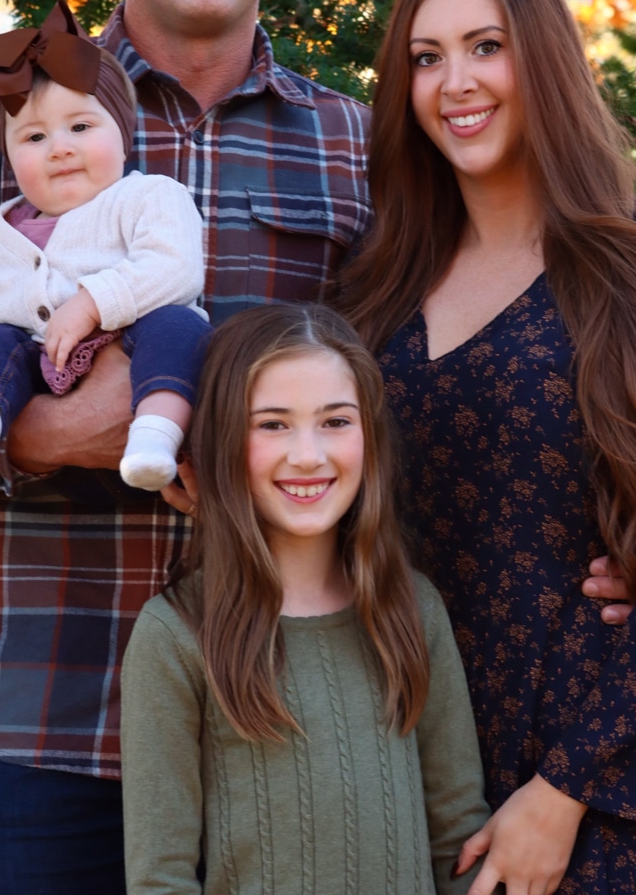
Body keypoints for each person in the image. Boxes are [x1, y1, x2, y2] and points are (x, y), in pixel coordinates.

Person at [0, 0, 371, 894]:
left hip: (282, 701)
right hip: (57, 714)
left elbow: (413, 402)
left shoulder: (352, 145)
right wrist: (45, 433)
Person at [339, 0, 636, 893]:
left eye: (486, 46)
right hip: (405, 780)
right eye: (427, 57)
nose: (456, 82)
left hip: (598, 795)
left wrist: (564, 790)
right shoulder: (372, 296)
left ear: (544, 61)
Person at [121, 301, 490, 895]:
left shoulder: (412, 609)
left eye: (336, 421)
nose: (309, 455)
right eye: (272, 424)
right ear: (220, 440)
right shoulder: (176, 634)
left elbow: (458, 837)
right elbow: (160, 878)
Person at [0, 0, 211, 491]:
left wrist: (91, 303)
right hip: (39, 364)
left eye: (80, 127)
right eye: (34, 137)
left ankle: (155, 434)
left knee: (179, 327)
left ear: (122, 137)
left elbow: (175, 267)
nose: (60, 148)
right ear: (10, 157)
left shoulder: (148, 197)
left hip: (136, 345)